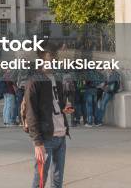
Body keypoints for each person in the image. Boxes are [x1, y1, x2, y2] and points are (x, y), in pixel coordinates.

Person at [25, 45, 73, 188]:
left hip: (61, 135)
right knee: (40, 179)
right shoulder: (33, 82)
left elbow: (59, 104)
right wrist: (37, 142)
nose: (52, 62)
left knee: (58, 180)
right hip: (45, 138)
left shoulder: (56, 80)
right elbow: (31, 113)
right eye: (49, 59)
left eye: (54, 59)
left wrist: (66, 108)